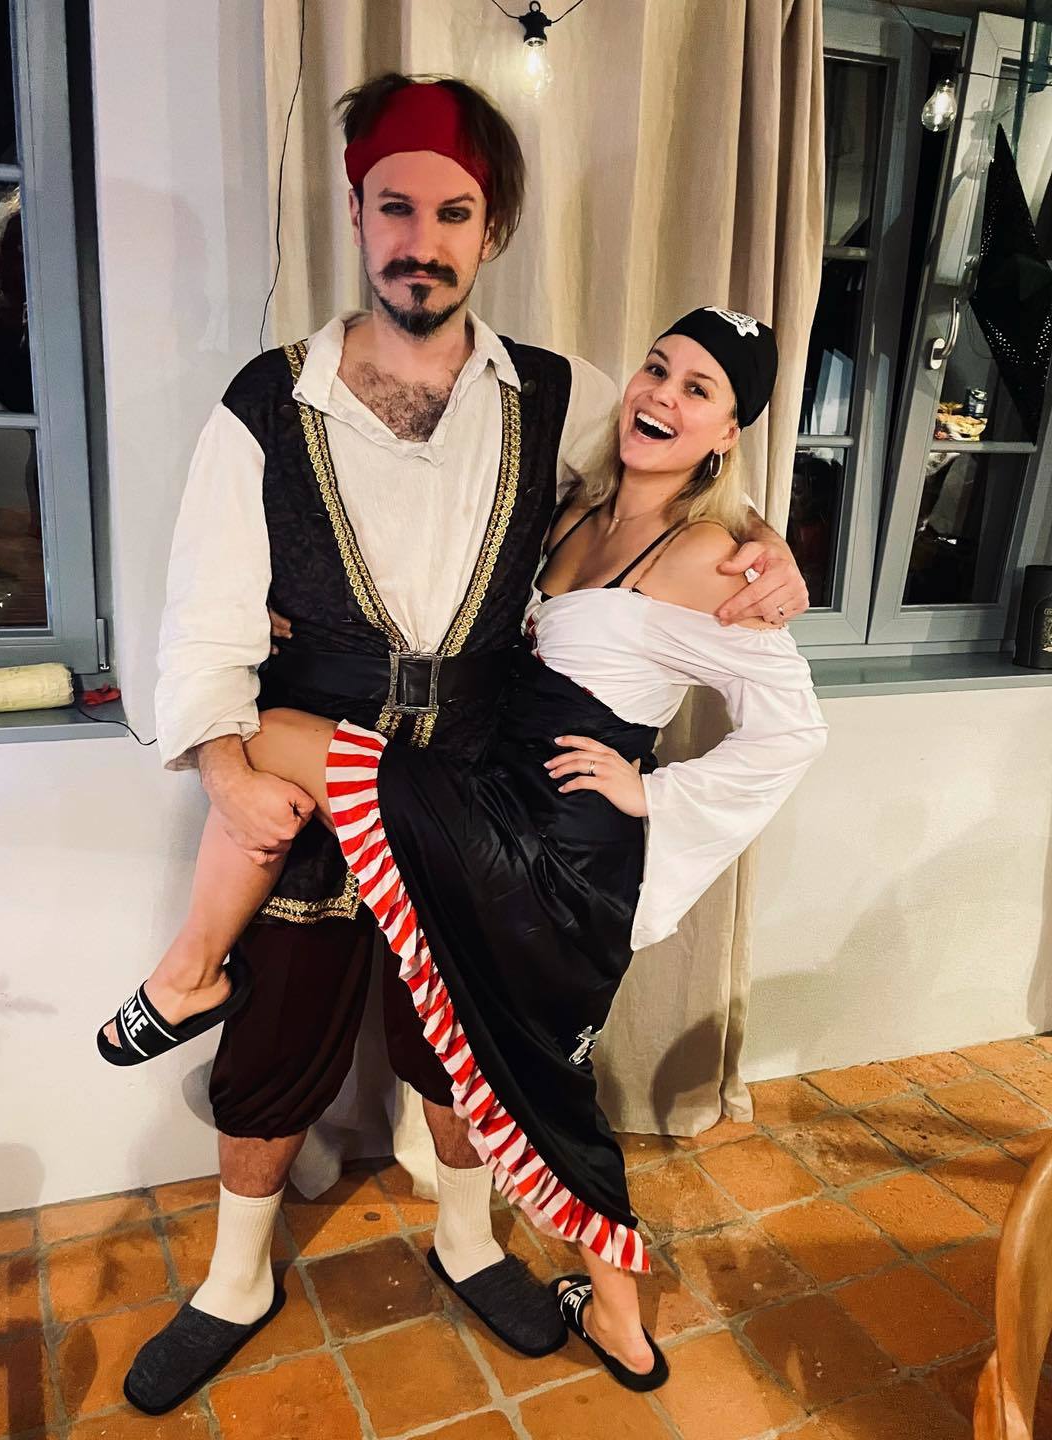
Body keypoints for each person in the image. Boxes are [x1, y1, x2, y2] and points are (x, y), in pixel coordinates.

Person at [108, 74, 811, 1414]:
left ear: (491, 232)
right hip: (312, 780)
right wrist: (226, 772)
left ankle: (470, 1239)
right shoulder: (266, 401)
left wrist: (770, 546)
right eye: (395, 208)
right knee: (275, 1038)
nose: (419, 241)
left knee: (465, 1044)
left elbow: (671, 475)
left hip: (482, 778)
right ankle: (236, 1279)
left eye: (452, 214)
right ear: (356, 213)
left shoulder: (560, 393)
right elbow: (202, 615)